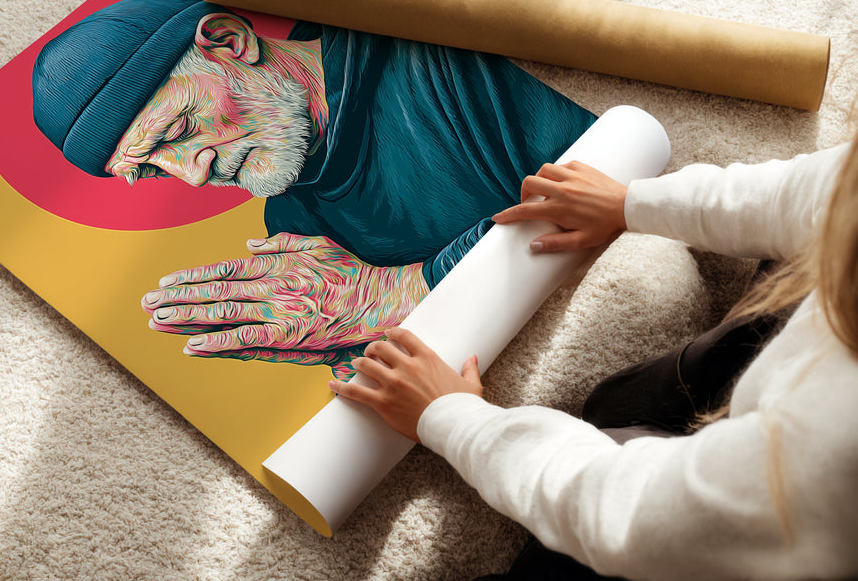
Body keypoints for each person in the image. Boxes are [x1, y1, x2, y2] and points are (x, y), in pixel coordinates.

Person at [331, 137, 858, 579]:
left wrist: (451, 417)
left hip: (784, 528)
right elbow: (817, 191)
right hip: (790, 410)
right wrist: (631, 203)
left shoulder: (832, 450)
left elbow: (629, 514)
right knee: (621, 404)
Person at [31, 0, 597, 376]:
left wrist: (403, 294)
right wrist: (359, 362)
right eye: (150, 169)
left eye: (178, 130)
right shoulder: (294, 240)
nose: (193, 172)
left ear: (229, 42)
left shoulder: (430, 50)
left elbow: (610, 170)